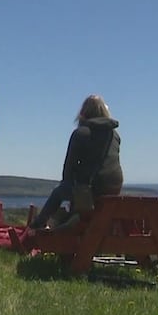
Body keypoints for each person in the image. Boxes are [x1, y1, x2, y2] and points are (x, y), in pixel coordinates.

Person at [30, 94, 123, 230]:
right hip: (113, 188)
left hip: (91, 190)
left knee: (59, 192)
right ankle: (71, 218)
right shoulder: (114, 136)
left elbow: (69, 168)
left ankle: (38, 224)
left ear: (83, 113)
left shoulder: (81, 133)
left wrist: (68, 185)